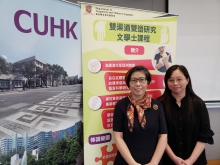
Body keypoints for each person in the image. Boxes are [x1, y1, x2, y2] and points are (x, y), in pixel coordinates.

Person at [157, 65, 214, 165]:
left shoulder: (198, 104)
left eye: (179, 79)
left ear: (187, 80)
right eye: (171, 80)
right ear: (166, 82)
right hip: (167, 160)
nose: (175, 83)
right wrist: (174, 158)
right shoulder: (159, 104)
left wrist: (190, 161)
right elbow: (159, 134)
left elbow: (204, 135)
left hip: (195, 161)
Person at [113, 65, 167, 165]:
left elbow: (163, 136)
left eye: (142, 80)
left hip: (154, 161)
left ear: (148, 82)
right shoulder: (121, 105)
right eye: (133, 80)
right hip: (126, 162)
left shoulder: (156, 106)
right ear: (128, 83)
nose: (138, 84)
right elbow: (118, 137)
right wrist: (133, 163)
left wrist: (154, 163)